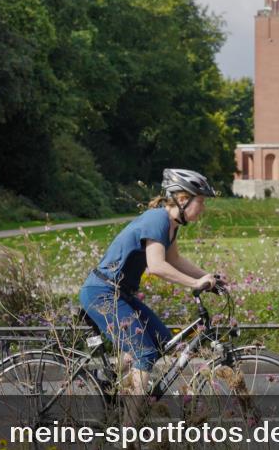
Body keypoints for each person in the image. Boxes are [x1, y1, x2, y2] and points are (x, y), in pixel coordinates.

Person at [78, 168, 224, 398]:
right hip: (102, 292)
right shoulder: (158, 219)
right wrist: (195, 282)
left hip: (120, 293)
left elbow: (174, 260)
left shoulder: (171, 225)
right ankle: (130, 427)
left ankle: (111, 382)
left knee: (160, 342)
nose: (203, 207)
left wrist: (210, 278)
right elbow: (156, 265)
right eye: (201, 201)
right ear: (183, 200)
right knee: (144, 352)